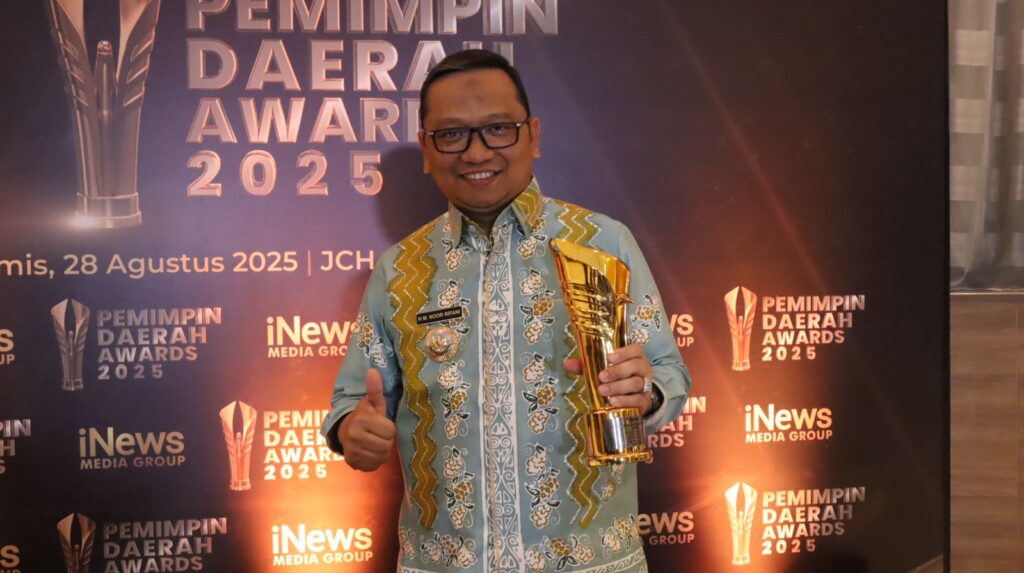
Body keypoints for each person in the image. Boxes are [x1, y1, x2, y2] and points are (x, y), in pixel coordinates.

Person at [321, 49, 691, 573]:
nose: (476, 152)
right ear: (426, 148)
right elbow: (352, 400)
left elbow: (669, 372)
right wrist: (350, 432)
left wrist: (646, 394)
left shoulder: (601, 244)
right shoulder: (399, 269)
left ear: (532, 135)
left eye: (498, 128)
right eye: (452, 134)